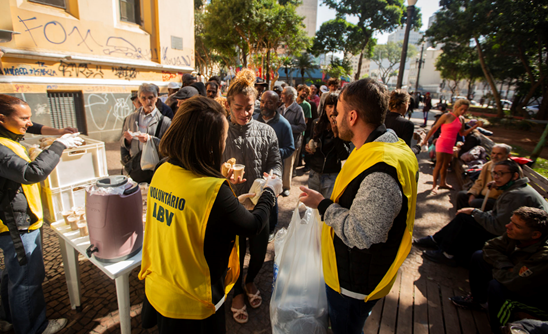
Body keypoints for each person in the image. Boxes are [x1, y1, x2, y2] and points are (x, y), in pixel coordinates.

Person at [139, 96, 282, 334]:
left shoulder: (163, 170)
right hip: (193, 303)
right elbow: (253, 224)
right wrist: (269, 192)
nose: (224, 143)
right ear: (209, 143)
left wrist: (222, 182)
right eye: (223, 138)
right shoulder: (212, 191)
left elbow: (191, 212)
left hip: (159, 287)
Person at [299, 79, 419, 334]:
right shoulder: (378, 147)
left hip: (354, 283)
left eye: (338, 113)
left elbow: (363, 233)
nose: (335, 118)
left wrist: (322, 204)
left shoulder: (381, 169)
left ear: (352, 116)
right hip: (352, 273)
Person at [0, 94, 84, 334]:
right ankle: (34, 328)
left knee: (12, 275)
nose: (29, 123)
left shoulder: (9, 132)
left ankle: (10, 317)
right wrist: (60, 145)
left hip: (14, 220)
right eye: (23, 118)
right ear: (2, 119)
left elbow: (34, 126)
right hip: (17, 224)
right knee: (26, 280)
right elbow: (32, 173)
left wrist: (58, 132)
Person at [222, 69, 283, 324]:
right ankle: (235, 291)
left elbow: (277, 162)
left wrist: (273, 176)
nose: (245, 113)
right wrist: (222, 175)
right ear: (228, 105)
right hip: (229, 206)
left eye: (249, 107)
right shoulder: (220, 131)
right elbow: (208, 167)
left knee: (258, 253)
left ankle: (249, 282)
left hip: (260, 207)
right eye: (239, 107)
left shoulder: (267, 131)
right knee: (232, 254)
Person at [416, 160, 548, 266]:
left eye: (501, 174)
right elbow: (499, 215)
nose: (496, 177)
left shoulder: (516, 195)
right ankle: (437, 240)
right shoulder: (516, 189)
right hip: (509, 230)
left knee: (464, 217)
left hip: (519, 240)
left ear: (515, 176)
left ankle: (448, 253)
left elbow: (499, 227)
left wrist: (474, 212)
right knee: (466, 210)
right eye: (494, 173)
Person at [450, 207, 548, 334]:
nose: (508, 226)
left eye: (516, 225)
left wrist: (503, 271)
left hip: (535, 299)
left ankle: (500, 330)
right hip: (512, 275)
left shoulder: (543, 256)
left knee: (496, 286)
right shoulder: (516, 235)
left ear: (535, 234)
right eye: (511, 221)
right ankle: (478, 301)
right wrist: (505, 266)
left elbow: (514, 283)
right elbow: (489, 247)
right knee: (479, 256)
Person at [254, 90, 295, 238]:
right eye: (263, 101)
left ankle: (271, 229)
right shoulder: (254, 119)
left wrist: (273, 153)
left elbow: (290, 148)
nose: (265, 105)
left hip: (272, 170)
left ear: (278, 104)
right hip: (255, 167)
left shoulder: (284, 125)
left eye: (269, 102)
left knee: (271, 198)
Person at [420, 99, 479, 193]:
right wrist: (425, 140)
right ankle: (434, 185)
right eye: (461, 109)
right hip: (442, 142)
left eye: (465, 110)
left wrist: (473, 127)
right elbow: (435, 128)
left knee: (446, 165)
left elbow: (462, 133)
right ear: (456, 107)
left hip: (451, 144)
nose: (463, 111)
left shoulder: (461, 119)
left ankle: (443, 183)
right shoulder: (446, 116)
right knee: (438, 164)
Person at [121, 83, 171, 183]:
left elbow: (168, 147)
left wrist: (150, 140)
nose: (147, 101)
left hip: (154, 169)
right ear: (139, 99)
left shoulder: (165, 121)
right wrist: (128, 140)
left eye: (150, 97)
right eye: (143, 98)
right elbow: (122, 145)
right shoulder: (130, 119)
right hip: (135, 167)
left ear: (156, 97)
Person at [305, 92, 350, 198]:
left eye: (336, 107)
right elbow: (311, 147)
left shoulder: (344, 128)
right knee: (312, 210)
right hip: (314, 174)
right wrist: (308, 149)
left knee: (327, 210)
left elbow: (345, 155)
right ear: (325, 108)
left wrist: (336, 135)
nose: (333, 110)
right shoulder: (316, 124)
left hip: (332, 176)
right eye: (330, 106)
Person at [455, 144, 511, 211]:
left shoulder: (511, 169)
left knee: (475, 203)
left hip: (498, 200)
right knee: (462, 195)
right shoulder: (488, 165)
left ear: (508, 156)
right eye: (493, 153)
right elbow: (479, 182)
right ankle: (460, 217)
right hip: (483, 194)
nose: (495, 156)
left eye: (499, 154)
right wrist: (472, 194)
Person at [278, 86, 306, 197]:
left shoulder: (298, 109)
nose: (281, 95)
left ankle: (286, 187)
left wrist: (288, 127)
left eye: (283, 93)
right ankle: (278, 186)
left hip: (292, 143)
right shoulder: (280, 108)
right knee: (279, 164)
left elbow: (302, 126)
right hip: (280, 142)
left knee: (288, 166)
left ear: (290, 96)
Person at [296, 85, 312, 167]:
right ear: (298, 91)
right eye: (302, 90)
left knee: (297, 152)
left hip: (299, 132)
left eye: (306, 92)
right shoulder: (293, 102)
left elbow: (305, 121)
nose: (304, 93)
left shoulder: (307, 106)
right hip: (288, 131)